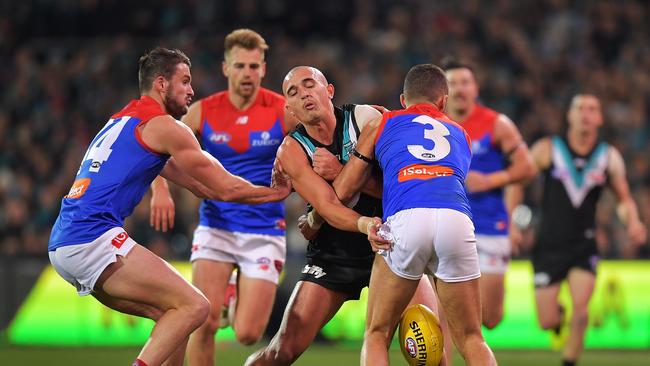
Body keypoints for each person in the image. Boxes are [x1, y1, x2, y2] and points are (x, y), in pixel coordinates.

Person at [47, 47, 291, 366]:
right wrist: (277, 192)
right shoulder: (165, 127)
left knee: (174, 315)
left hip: (64, 242)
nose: (191, 90)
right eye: (185, 81)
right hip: (92, 239)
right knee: (197, 307)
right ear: (161, 84)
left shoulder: (121, 120)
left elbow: (199, 186)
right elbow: (225, 185)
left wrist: (172, 190)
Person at [245, 66, 440, 366]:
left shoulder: (367, 119)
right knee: (281, 351)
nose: (304, 94)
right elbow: (328, 206)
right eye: (293, 93)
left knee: (430, 347)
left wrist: (342, 173)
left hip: (391, 246)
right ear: (290, 109)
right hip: (335, 254)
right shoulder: (292, 150)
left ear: (329, 91)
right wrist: (361, 223)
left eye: (309, 85)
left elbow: (402, 185)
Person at [330, 63, 496, 365]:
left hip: (406, 219)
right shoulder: (461, 134)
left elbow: (343, 190)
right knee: (472, 338)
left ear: (403, 100)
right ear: (443, 101)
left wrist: (338, 169)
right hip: (456, 220)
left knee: (377, 333)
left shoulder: (383, 123)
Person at [149, 29, 297, 366]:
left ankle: (231, 297)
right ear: (225, 68)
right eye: (240, 65)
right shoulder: (203, 111)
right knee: (203, 322)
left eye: (254, 66)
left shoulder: (281, 110)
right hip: (216, 226)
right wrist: (160, 190)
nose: (248, 73)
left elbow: (311, 148)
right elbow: (157, 144)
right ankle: (221, 298)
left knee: (247, 333)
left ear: (263, 68)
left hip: (264, 231)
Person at [525, 93, 646, 366]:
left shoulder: (608, 157)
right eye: (580, 108)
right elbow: (518, 181)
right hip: (549, 244)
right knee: (547, 322)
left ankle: (569, 362)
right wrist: (509, 219)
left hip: (585, 244)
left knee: (582, 312)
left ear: (600, 118)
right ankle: (559, 317)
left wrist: (633, 222)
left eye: (592, 109)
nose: (586, 114)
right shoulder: (548, 149)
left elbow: (624, 199)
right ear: (569, 115)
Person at [441, 58, 537, 329]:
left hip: (489, 225)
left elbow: (527, 167)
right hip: (448, 224)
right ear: (443, 91)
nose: (459, 89)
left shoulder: (496, 123)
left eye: (465, 82)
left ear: (475, 88)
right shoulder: (433, 126)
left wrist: (492, 180)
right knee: (444, 310)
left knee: (490, 318)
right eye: (452, 83)